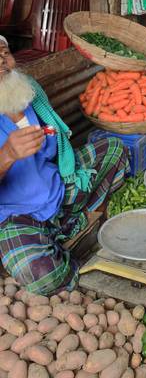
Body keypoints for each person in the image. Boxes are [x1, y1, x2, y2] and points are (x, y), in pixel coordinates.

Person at [0, 36, 128, 295]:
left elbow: (54, 147)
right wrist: (7, 155)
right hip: (16, 216)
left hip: (57, 189)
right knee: (38, 275)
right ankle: (68, 263)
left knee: (114, 149)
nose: (2, 63)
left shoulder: (25, 92)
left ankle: (66, 225)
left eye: (5, 53)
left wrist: (54, 147)